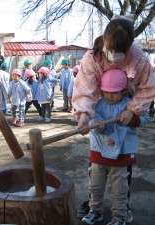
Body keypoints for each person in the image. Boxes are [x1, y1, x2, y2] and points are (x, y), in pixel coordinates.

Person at [72, 14, 155, 224]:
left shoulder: (138, 57)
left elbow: (147, 86)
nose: (115, 55)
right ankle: (94, 206)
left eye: (121, 51)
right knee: (96, 172)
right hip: (101, 119)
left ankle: (121, 210)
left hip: (125, 116)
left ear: (129, 46)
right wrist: (84, 115)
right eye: (111, 49)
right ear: (105, 42)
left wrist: (133, 110)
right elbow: (85, 89)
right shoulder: (93, 57)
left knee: (121, 176)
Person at [81, 69, 149, 225]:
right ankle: (95, 212)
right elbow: (92, 115)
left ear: (124, 90)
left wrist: (132, 117)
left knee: (120, 189)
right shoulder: (99, 103)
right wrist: (96, 123)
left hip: (121, 155)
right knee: (95, 186)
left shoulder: (131, 105)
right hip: (99, 153)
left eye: (114, 92)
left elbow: (144, 117)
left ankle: (119, 216)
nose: (110, 96)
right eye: (106, 92)